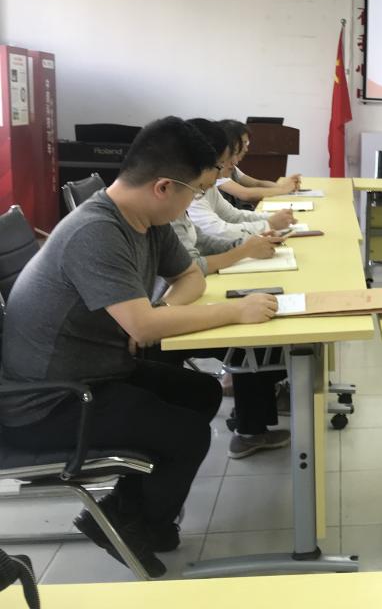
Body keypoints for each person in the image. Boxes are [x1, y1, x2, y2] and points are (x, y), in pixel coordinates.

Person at [0, 117, 278, 578]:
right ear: (164, 187)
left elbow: (188, 277)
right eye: (195, 192)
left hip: (97, 370)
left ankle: (125, 510)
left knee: (201, 392)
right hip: (48, 402)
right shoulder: (96, 232)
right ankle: (133, 525)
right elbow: (145, 327)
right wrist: (233, 311)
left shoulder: (147, 218)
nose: (194, 203)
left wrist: (156, 313)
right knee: (187, 434)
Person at [164, 119, 291, 460]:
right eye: (227, 158)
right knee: (253, 334)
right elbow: (194, 265)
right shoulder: (171, 203)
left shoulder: (185, 194)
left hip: (180, 305)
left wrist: (248, 244)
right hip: (167, 321)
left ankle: (266, 402)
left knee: (260, 319)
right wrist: (245, 249)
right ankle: (250, 429)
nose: (230, 166)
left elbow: (203, 244)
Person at [188, 125, 297, 241]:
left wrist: (273, 218)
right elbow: (217, 230)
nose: (235, 161)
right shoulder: (193, 189)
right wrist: (268, 224)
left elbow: (233, 215)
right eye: (232, 154)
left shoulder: (208, 184)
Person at [216, 119, 302, 205]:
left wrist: (285, 186)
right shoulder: (215, 171)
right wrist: (283, 190)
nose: (246, 149)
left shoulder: (232, 168)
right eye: (244, 143)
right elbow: (246, 194)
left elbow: (257, 183)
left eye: (247, 143)